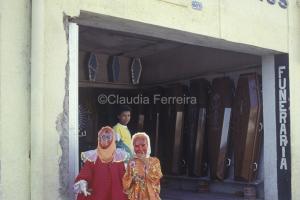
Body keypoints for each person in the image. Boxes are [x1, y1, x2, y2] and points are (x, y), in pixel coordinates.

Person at [74, 126, 128, 200]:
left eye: (108, 137)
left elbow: (125, 178)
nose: (105, 139)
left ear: (113, 139)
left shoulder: (119, 158)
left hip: (116, 195)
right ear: (99, 139)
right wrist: (83, 183)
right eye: (103, 137)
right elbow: (84, 175)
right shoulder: (92, 158)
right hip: (98, 195)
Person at [122, 132, 163, 200]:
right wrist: (132, 178)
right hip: (135, 196)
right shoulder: (131, 162)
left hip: (150, 196)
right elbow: (125, 181)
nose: (140, 149)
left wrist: (145, 162)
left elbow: (156, 178)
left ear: (148, 145)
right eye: (136, 146)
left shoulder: (155, 161)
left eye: (143, 145)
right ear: (133, 147)